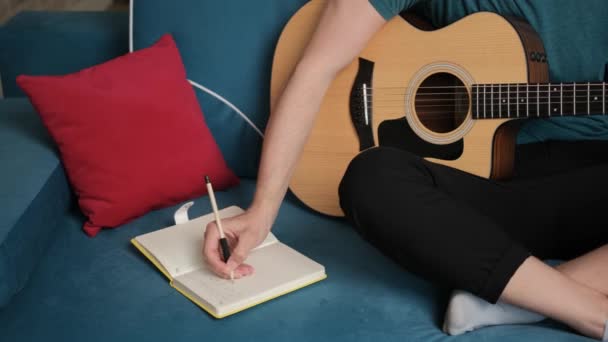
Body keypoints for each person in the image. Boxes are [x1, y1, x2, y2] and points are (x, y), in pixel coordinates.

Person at [202, 0, 608, 339]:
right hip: (485, 195)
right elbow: (316, 68)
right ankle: (588, 308)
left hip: (591, 182)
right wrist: (262, 211)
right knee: (370, 177)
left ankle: (516, 301)